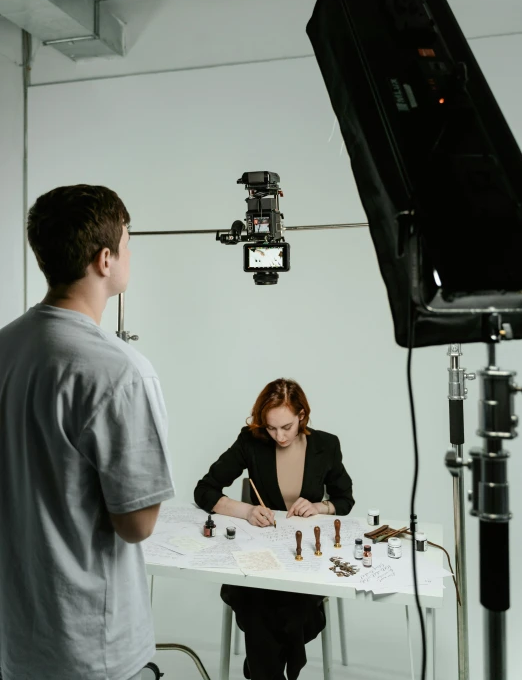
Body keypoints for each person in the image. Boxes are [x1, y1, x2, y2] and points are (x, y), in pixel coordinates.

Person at [0, 185, 175, 680]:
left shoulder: (5, 347)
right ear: (105, 259)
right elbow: (136, 524)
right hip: (92, 648)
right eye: (127, 240)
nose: (130, 252)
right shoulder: (119, 372)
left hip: (17, 639)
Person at [194, 378, 354, 680]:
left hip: (304, 560)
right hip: (258, 560)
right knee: (258, 605)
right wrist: (246, 510)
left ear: (302, 416)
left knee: (290, 609)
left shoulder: (326, 446)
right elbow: (204, 490)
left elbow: (345, 499)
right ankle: (270, 671)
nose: (279, 436)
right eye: (271, 428)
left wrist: (320, 507)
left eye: (287, 427)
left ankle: (259, 669)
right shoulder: (251, 441)